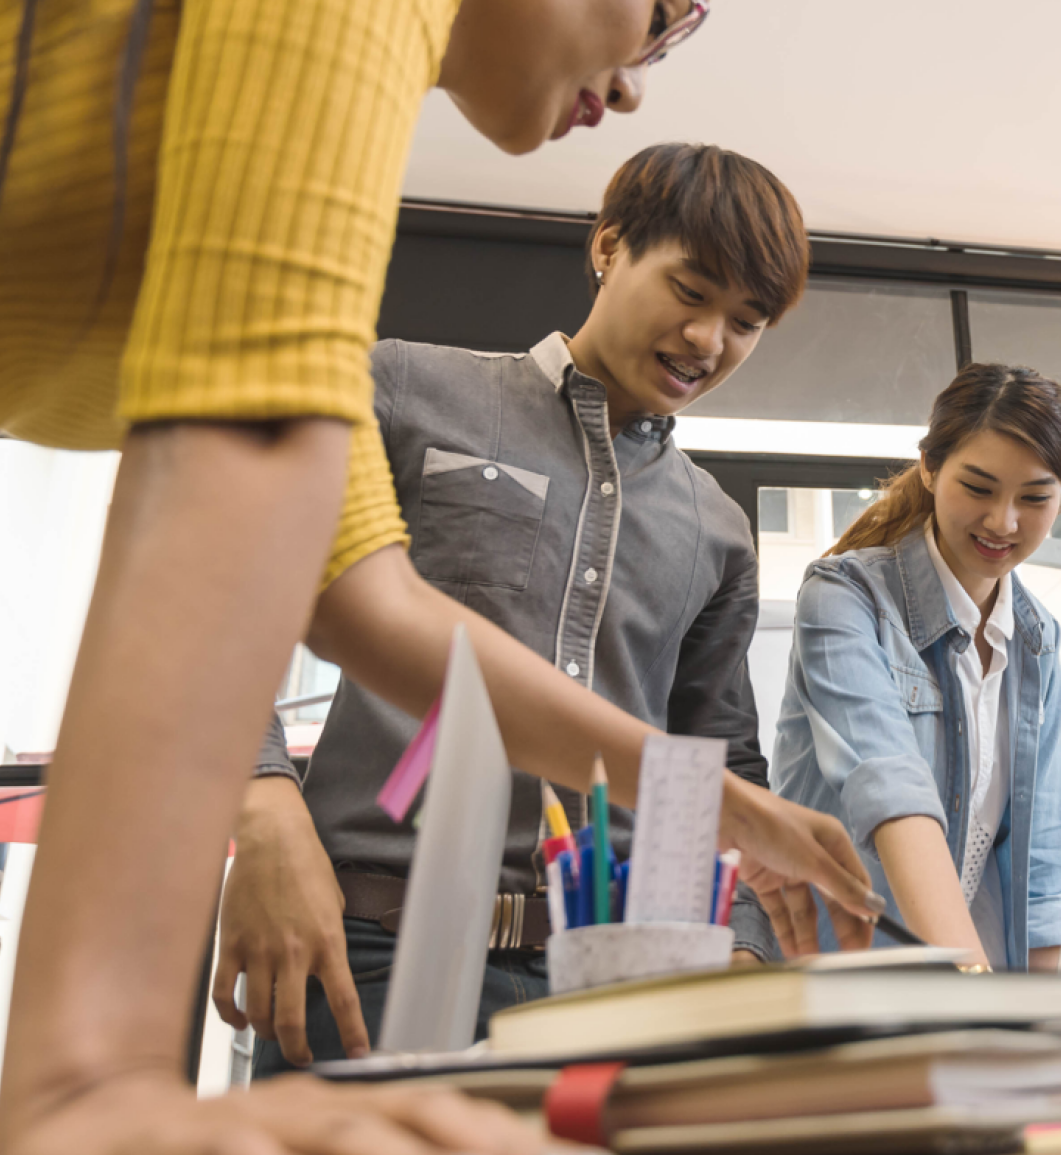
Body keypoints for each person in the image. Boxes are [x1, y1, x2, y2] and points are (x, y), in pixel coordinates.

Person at [0, 0, 875, 1155]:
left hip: (587, 962)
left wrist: (731, 816)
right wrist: (90, 1080)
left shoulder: (712, 525)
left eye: (751, 322)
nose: (634, 86)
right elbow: (237, 474)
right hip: (382, 930)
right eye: (666, 18)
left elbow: (359, 596)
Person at [216, 142, 803, 1071]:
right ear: (609, 246)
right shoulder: (406, 391)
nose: (707, 339)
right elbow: (234, 598)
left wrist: (735, 941)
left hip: (615, 981)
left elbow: (712, 757)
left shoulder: (718, 529)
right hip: (371, 945)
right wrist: (261, 809)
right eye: (691, 291)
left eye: (746, 319)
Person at [771, 364, 1061, 970]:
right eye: (980, 488)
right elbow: (891, 790)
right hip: (836, 977)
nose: (1004, 522)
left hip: (960, 989)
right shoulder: (843, 598)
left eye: (1036, 497)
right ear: (930, 468)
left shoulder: (1036, 639)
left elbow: (1039, 857)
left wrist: (1055, 1022)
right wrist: (968, 978)